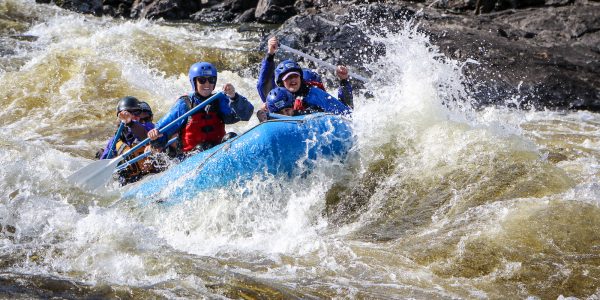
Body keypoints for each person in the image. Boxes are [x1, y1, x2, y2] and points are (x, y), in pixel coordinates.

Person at [147, 61, 254, 156]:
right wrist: (155, 136)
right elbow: (162, 131)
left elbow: (245, 115)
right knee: (201, 148)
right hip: (191, 156)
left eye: (211, 80)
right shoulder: (185, 104)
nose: (207, 84)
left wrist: (234, 97)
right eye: (202, 80)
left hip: (218, 150)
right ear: (194, 82)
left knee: (231, 137)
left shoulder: (220, 99)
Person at [257, 36, 354, 108]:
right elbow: (264, 82)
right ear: (281, 83)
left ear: (300, 78)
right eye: (288, 78)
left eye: (295, 76)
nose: (293, 79)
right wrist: (270, 54)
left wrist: (343, 81)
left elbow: (344, 110)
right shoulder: (276, 96)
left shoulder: (314, 94)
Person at [96, 96, 157, 185]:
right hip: (131, 184)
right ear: (120, 116)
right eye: (129, 113)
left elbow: (145, 135)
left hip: (154, 175)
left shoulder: (149, 127)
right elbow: (103, 166)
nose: (134, 116)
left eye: (137, 112)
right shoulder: (115, 141)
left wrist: (130, 123)